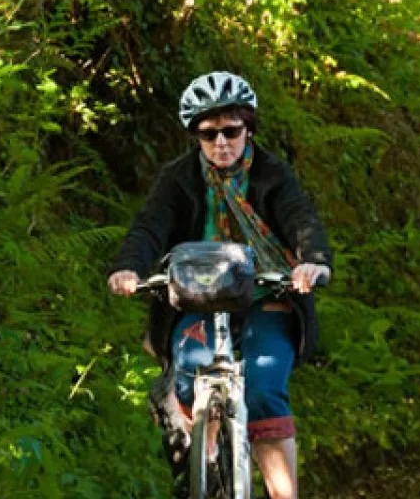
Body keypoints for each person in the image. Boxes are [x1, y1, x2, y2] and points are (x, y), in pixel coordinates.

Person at [107, 71, 331, 499]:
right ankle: (204, 476)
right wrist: (128, 268)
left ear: (248, 127)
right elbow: (149, 228)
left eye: (231, 131)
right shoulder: (179, 177)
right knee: (189, 383)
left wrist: (312, 264)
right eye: (208, 135)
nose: (221, 143)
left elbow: (302, 221)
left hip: (269, 296)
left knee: (265, 391)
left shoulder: (271, 173)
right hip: (198, 299)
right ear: (196, 137)